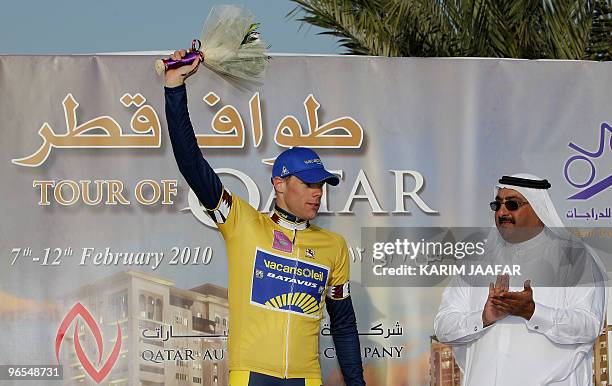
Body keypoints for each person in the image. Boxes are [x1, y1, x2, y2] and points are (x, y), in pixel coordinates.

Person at [164, 50, 365, 386]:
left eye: (321, 185)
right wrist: (174, 88)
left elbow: (343, 324)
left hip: (307, 378)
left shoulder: (334, 246)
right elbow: (191, 164)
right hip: (251, 375)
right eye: (308, 183)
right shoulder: (242, 223)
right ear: (280, 183)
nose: (317, 192)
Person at [434, 174, 607, 386]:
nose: (502, 212)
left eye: (512, 204)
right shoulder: (476, 262)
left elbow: (589, 325)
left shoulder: (574, 258)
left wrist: (534, 312)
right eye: (497, 205)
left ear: (537, 208)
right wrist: (484, 317)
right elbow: (443, 327)